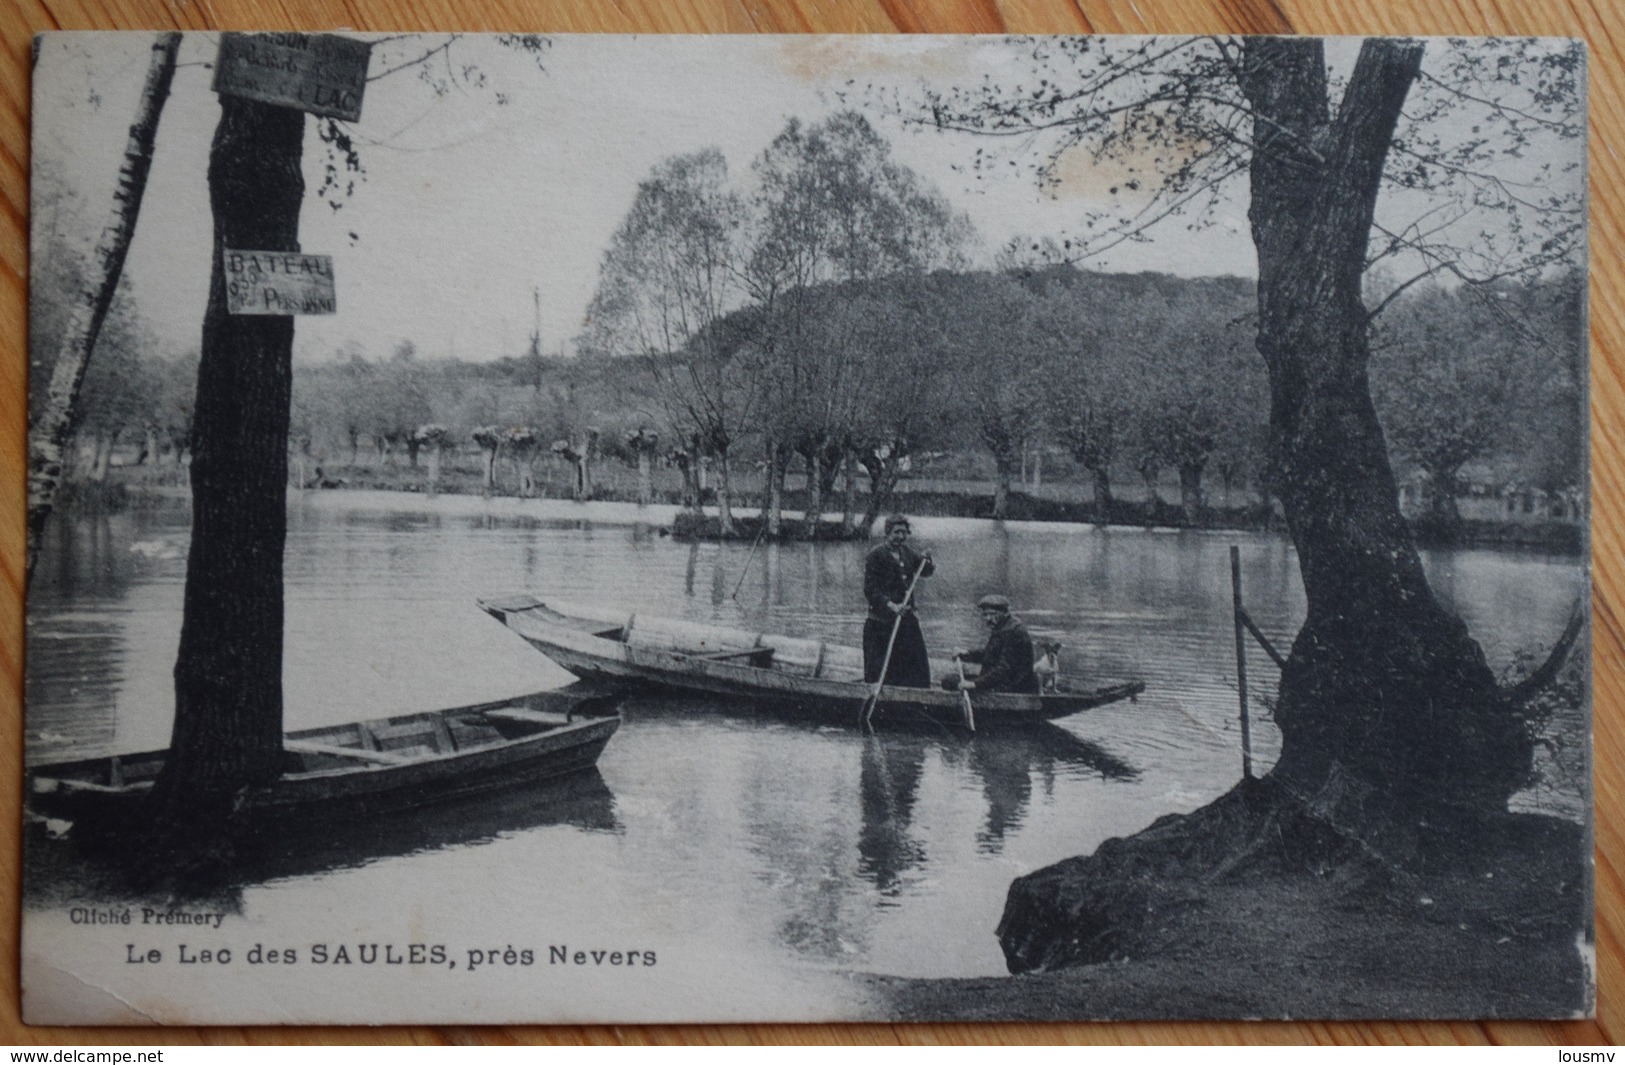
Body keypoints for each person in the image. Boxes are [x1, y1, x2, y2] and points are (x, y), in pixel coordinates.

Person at [862, 515, 934, 688]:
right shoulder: (876, 556)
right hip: (881, 623)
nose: (901, 537)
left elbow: (925, 572)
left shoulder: (907, 552)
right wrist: (892, 606)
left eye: (904, 533)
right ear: (887, 533)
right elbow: (870, 590)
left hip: (906, 620)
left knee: (917, 667)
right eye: (897, 532)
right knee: (881, 670)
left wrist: (928, 560)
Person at [946, 595, 1040, 695]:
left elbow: (1003, 669)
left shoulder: (1012, 632)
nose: (988, 619)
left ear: (1004, 613)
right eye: (985, 615)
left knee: (950, 682)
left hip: (1014, 687)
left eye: (992, 614)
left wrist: (975, 684)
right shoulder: (1003, 627)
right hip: (1003, 681)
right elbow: (990, 655)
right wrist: (966, 653)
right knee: (949, 680)